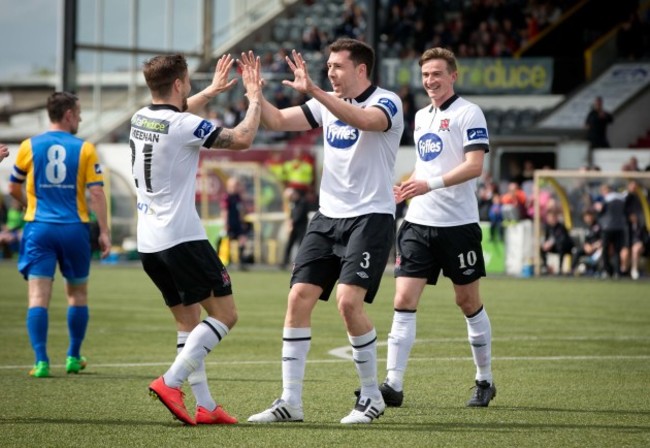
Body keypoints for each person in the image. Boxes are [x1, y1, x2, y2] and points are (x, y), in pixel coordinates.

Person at [243, 37, 404, 424]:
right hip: (327, 217)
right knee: (298, 297)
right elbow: (278, 121)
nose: (330, 71)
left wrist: (314, 89)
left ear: (361, 70)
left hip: (370, 217)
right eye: (328, 66)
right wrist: (255, 96)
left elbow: (364, 121)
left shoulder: (387, 101)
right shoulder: (324, 103)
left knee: (348, 302)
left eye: (337, 66)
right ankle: (290, 402)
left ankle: (371, 398)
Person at [134, 52, 262, 425]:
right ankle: (171, 382)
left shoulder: (140, 117)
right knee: (225, 314)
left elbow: (175, 113)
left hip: (150, 244)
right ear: (178, 83)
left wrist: (209, 90)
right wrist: (254, 97)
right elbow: (241, 138)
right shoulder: (183, 124)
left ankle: (205, 405)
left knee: (188, 324)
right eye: (187, 80)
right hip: (182, 238)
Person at [370, 47, 495, 409]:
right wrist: (408, 185)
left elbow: (474, 166)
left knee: (467, 301)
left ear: (453, 76)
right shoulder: (421, 115)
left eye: (437, 74)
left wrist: (429, 184)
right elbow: (427, 165)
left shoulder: (469, 113)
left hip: (457, 225)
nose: (430, 81)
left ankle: (484, 380)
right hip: (417, 222)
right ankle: (393, 384)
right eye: (425, 75)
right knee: (403, 300)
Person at [8, 91, 111, 378]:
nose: (80, 118)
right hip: (74, 229)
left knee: (38, 296)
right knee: (77, 294)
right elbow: (97, 192)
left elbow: (13, 187)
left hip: (38, 228)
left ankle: (41, 361)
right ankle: (73, 357)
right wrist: (103, 231)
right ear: (68, 115)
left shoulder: (29, 146)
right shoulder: (86, 148)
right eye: (78, 113)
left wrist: (30, 205)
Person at [220, 176, 250, 270]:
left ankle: (241, 262)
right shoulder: (227, 197)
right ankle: (226, 262)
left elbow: (241, 210)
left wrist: (243, 221)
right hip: (230, 223)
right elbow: (225, 211)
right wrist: (225, 224)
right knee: (227, 242)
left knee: (243, 240)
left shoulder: (238, 197)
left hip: (238, 223)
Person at [281, 187, 310, 269]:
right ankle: (284, 262)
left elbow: (299, 215)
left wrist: (292, 221)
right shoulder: (293, 203)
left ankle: (301, 262)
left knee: (301, 245)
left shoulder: (302, 202)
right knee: (289, 245)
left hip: (300, 228)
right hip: (293, 228)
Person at [540, 209, 574, 275]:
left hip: (565, 247)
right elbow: (546, 238)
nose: (551, 219)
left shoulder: (560, 227)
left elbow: (562, 239)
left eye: (552, 217)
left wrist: (551, 243)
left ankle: (560, 269)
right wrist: (546, 244)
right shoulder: (548, 227)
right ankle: (545, 267)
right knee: (541, 248)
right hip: (554, 247)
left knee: (560, 247)